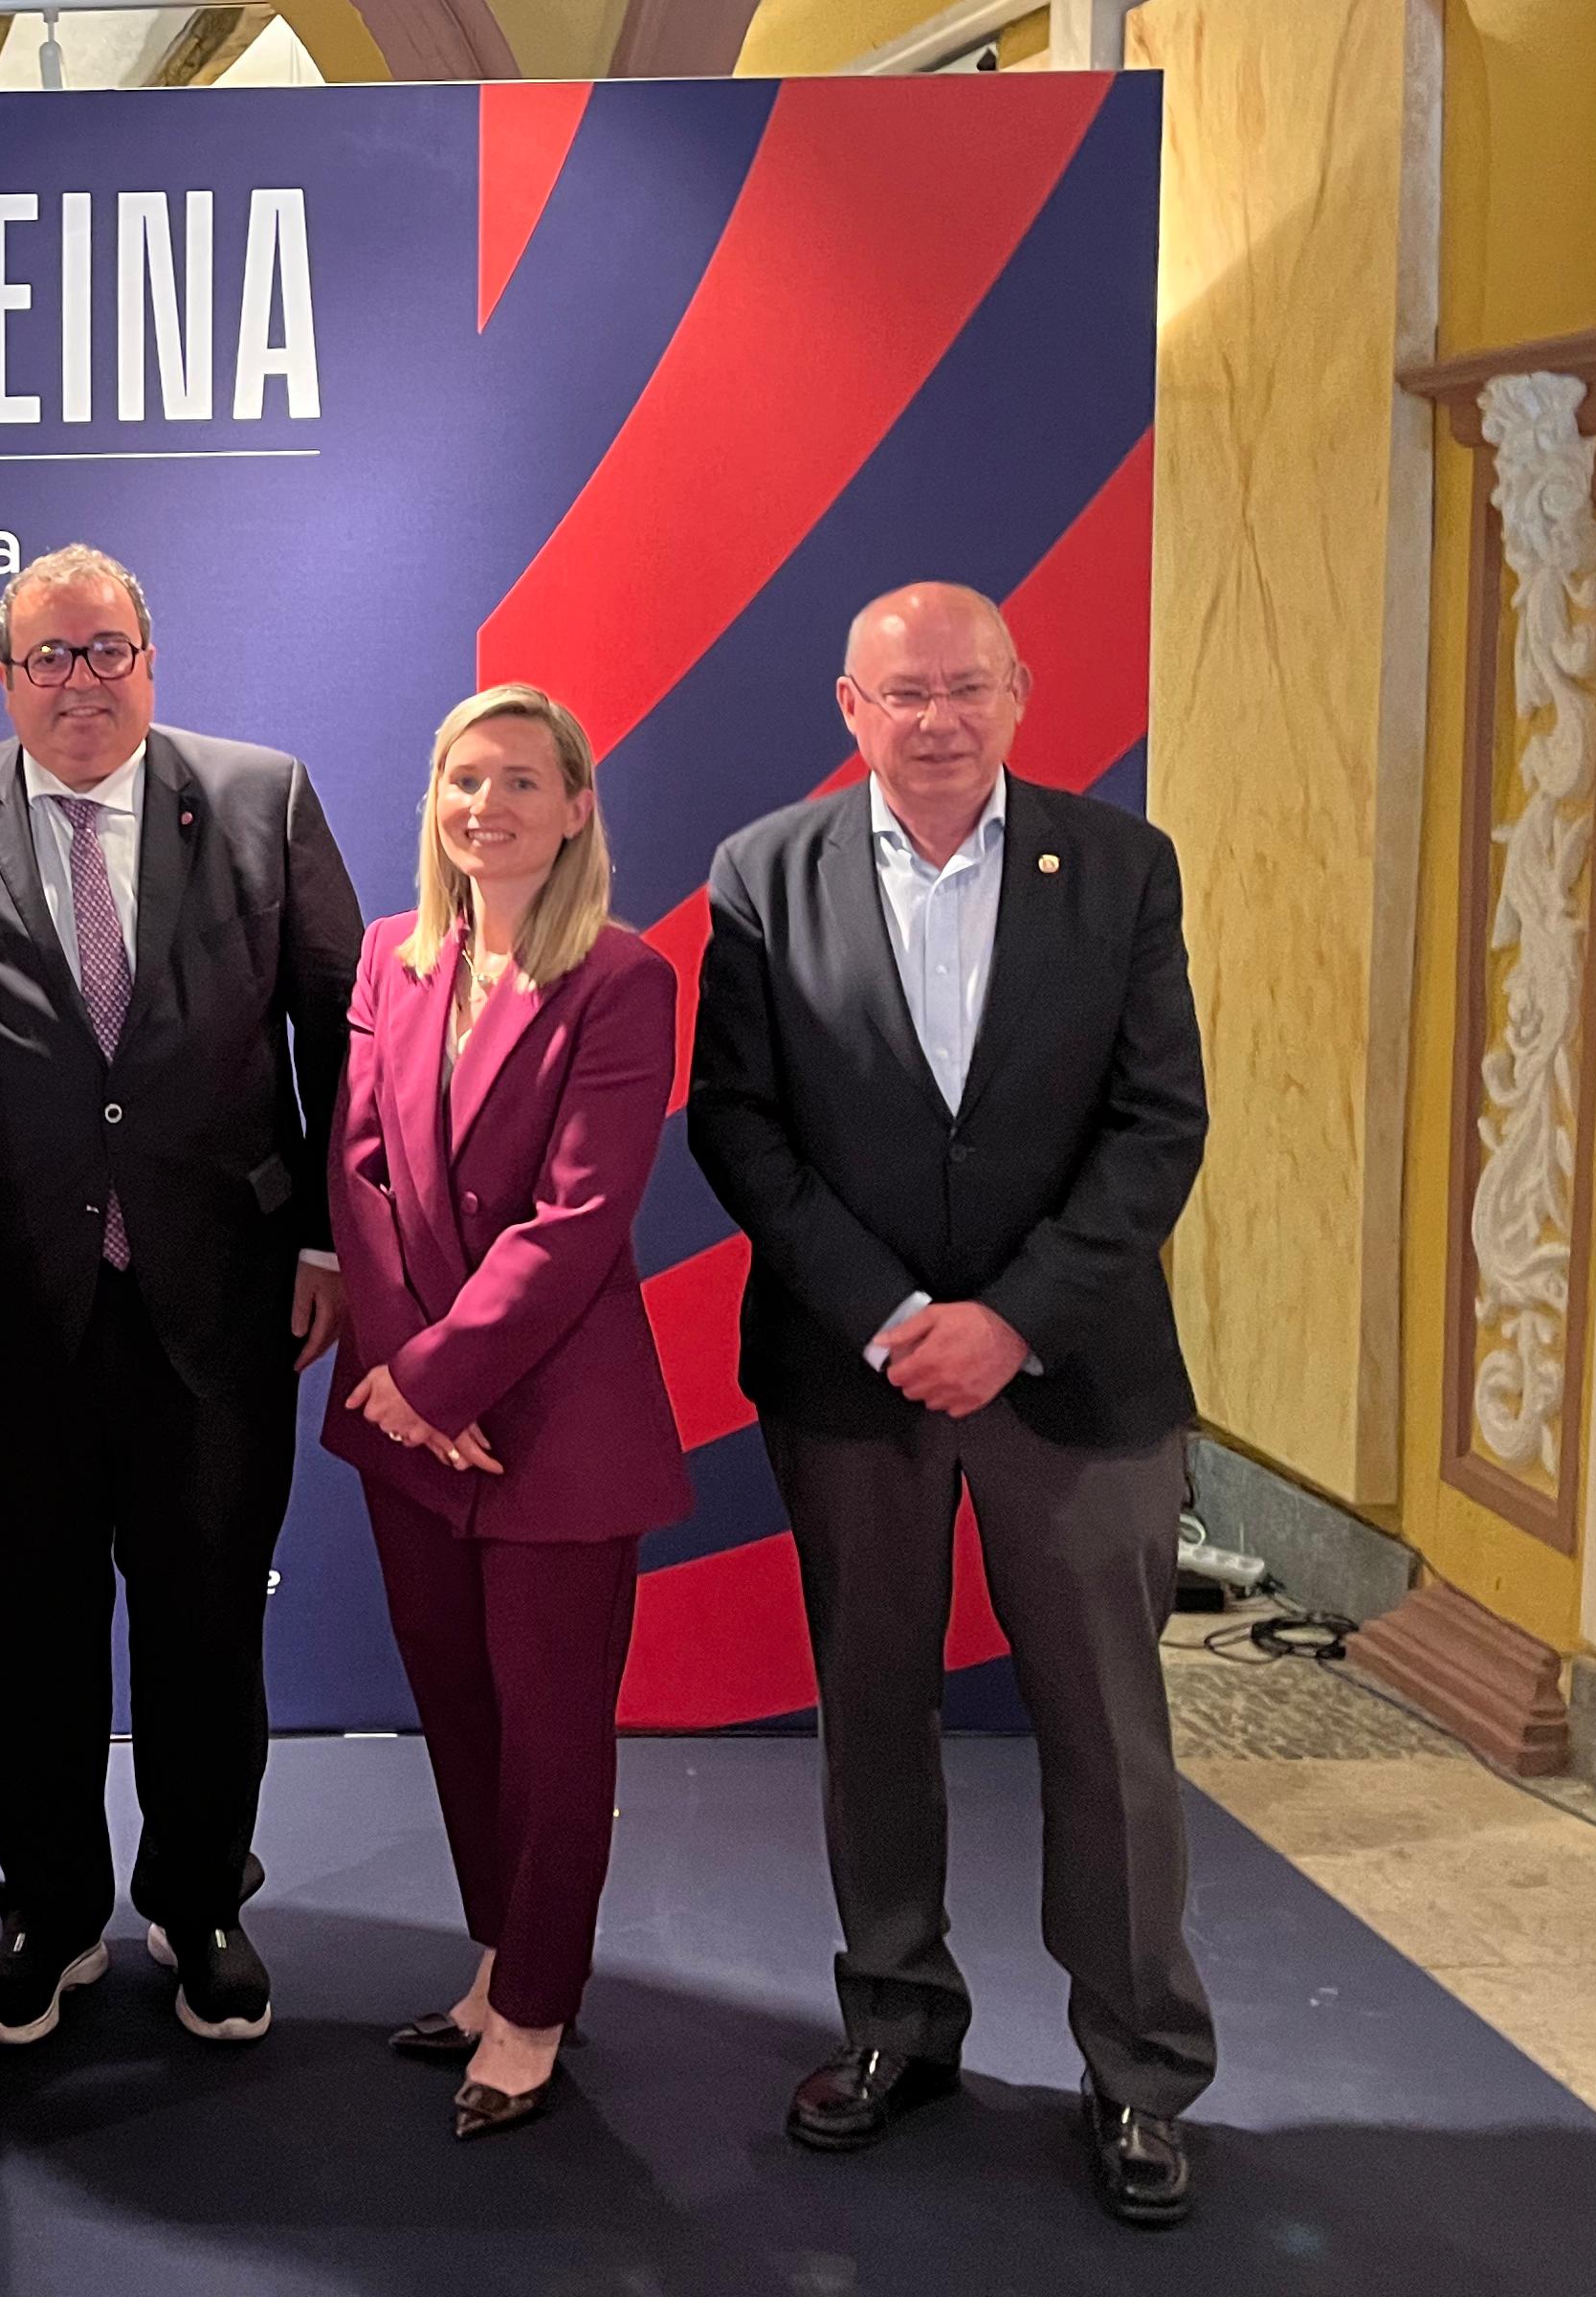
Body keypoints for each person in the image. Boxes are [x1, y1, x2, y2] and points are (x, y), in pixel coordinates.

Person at [686, 580, 1212, 2230]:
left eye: (966, 688)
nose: (936, 720)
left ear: (1021, 694)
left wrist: (1014, 1321)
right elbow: (740, 1126)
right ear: (850, 708)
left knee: (1112, 1740)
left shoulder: (1121, 865)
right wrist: (901, 1315)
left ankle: (1138, 2074)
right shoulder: (765, 875)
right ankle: (898, 2023)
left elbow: (1158, 1124)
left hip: (1080, 1375)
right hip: (861, 1377)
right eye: (902, 693)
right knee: (875, 1715)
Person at [0, 543, 361, 2047]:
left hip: (221, 1302)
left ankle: (200, 1907)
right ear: (3, 679)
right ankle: (50, 1911)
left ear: (150, 659)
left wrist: (323, 1243)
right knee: (34, 1635)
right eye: (48, 658)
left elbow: (342, 1027)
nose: (79, 683)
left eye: (106, 650)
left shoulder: (262, 797)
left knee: (202, 1635)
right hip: (10, 1309)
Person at [323, 684, 690, 2139]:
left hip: (556, 1429)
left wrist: (438, 1379)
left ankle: (536, 2008)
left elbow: (580, 1218)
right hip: (413, 1427)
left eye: (521, 782)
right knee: (459, 1712)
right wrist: (409, 1382)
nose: (488, 807)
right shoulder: (391, 959)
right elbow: (356, 1178)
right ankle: (498, 1959)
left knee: (551, 1736)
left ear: (578, 804)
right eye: (463, 781)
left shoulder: (622, 978)